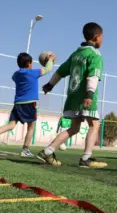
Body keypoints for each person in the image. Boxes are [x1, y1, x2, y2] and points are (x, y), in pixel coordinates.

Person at [37, 22, 107, 168]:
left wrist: (50, 85)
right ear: (96, 37)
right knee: (94, 124)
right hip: (86, 96)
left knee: (74, 128)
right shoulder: (95, 55)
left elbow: (60, 72)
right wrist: (89, 94)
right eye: (102, 37)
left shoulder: (75, 54)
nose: (102, 40)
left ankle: (48, 151)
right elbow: (93, 75)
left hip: (72, 96)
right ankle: (86, 159)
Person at [0, 53, 54, 157]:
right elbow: (47, 69)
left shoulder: (16, 75)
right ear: (29, 63)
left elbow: (14, 77)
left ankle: (25, 150)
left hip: (17, 104)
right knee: (31, 127)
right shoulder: (33, 73)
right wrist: (50, 60)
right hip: (29, 104)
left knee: (10, 125)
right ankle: (25, 150)